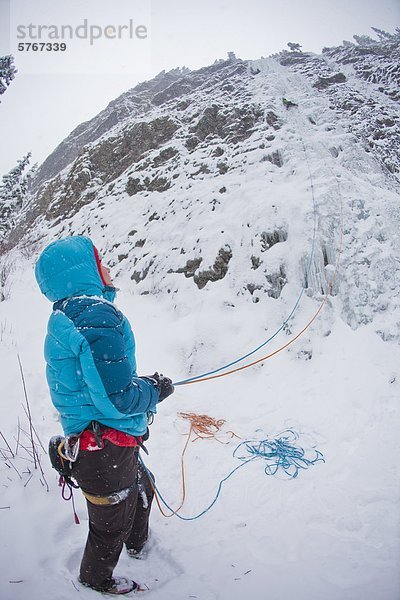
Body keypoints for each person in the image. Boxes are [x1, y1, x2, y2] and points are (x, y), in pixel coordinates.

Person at [35, 235, 174, 595]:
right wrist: (154, 390)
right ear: (86, 271)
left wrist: (143, 387)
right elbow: (119, 396)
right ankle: (95, 579)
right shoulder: (94, 316)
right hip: (103, 447)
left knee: (142, 489)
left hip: (101, 442)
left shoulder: (71, 315)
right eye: (102, 262)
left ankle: (138, 545)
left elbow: (102, 385)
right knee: (110, 524)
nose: (109, 269)